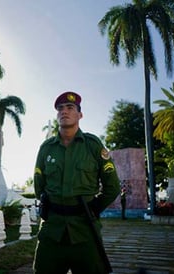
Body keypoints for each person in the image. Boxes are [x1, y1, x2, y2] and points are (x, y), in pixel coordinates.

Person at [33, 91, 120, 274]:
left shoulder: (93, 145)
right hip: (52, 232)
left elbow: (112, 187)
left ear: (80, 115)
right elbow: (39, 185)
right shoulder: (46, 148)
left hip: (85, 231)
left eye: (70, 108)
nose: (64, 111)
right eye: (60, 109)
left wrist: (93, 209)